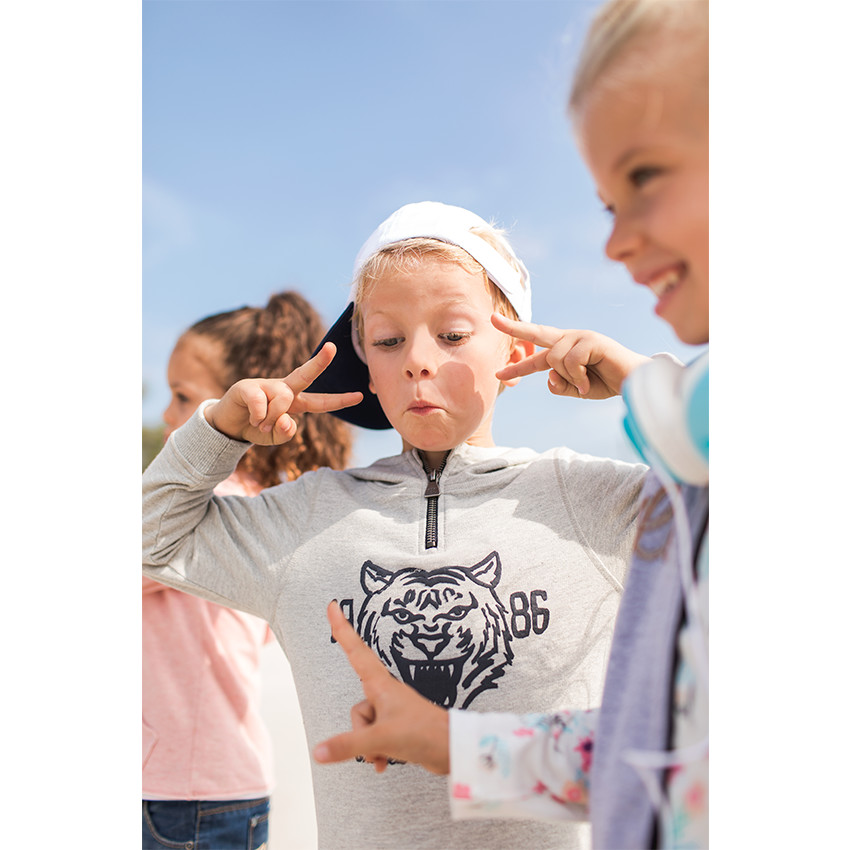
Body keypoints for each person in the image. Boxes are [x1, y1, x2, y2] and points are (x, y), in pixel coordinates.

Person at [312, 1, 709, 848]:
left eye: (644, 177)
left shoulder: (616, 489)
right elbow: (658, 750)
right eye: (603, 204)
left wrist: (651, 393)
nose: (613, 245)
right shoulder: (687, 455)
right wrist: (448, 744)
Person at [143, 199, 654, 849]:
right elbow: (148, 541)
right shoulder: (305, 518)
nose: (417, 359)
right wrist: (213, 434)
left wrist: (648, 389)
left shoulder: (593, 500)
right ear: (367, 360)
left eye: (453, 333)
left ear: (521, 349)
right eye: (388, 340)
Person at [142, 291, 353, 850]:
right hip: (201, 788)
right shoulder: (255, 500)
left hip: (184, 798)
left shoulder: (213, 505)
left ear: (237, 401)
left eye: (183, 397)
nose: (168, 415)